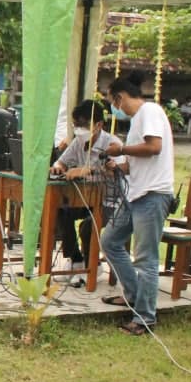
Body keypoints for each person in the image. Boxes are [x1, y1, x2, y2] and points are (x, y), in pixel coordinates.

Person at [100, 70, 175, 335]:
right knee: (109, 240)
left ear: (119, 98)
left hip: (152, 196)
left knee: (146, 259)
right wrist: (117, 165)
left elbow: (154, 147)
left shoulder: (150, 111)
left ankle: (145, 318)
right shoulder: (136, 121)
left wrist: (121, 150)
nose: (113, 109)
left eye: (112, 102)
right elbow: (136, 163)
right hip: (135, 194)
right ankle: (132, 294)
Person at [50, 99, 122, 285]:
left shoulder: (112, 144)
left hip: (110, 202)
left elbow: (117, 169)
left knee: (88, 227)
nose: (78, 129)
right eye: (76, 125)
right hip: (83, 199)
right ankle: (76, 261)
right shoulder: (78, 141)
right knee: (60, 211)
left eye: (83, 125)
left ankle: (93, 265)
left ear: (98, 125)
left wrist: (88, 169)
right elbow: (62, 162)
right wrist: (58, 167)